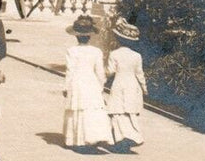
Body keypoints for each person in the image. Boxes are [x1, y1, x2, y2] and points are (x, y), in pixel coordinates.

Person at [61, 14, 110, 150]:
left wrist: (66, 87)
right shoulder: (96, 52)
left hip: (77, 81)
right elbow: (100, 72)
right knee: (90, 108)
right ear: (90, 36)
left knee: (77, 108)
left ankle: (76, 138)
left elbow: (70, 70)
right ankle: (91, 136)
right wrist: (100, 86)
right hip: (91, 82)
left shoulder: (72, 51)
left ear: (76, 36)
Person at [105, 19, 147, 152]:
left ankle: (120, 138)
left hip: (119, 84)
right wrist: (144, 88)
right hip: (132, 85)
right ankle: (132, 136)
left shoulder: (114, 54)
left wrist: (102, 77)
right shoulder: (137, 56)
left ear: (118, 39)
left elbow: (110, 71)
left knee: (118, 111)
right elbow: (139, 74)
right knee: (129, 111)